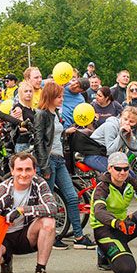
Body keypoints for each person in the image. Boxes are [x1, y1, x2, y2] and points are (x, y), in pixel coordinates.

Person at [33, 81, 94, 250]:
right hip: (49, 161)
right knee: (49, 200)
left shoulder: (56, 113)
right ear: (50, 97)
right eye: (59, 96)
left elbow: (56, 134)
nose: (62, 99)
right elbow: (38, 141)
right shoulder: (42, 114)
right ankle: (50, 237)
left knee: (72, 197)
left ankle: (79, 236)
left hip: (59, 160)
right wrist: (44, 166)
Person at [0, 152, 58, 273]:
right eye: (19, 169)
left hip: (27, 236)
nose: (24, 174)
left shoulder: (39, 183)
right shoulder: (1, 192)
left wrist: (22, 210)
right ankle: (5, 260)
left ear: (34, 170)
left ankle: (40, 271)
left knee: (49, 222)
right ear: (12, 171)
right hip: (3, 239)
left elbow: (52, 207)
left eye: (28, 169)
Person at [83, 107, 137, 173]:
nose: (127, 123)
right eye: (125, 119)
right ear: (121, 117)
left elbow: (136, 151)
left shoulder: (128, 130)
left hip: (107, 156)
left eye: (131, 122)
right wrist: (121, 134)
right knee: (120, 173)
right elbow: (110, 151)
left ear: (135, 123)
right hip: (93, 155)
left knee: (132, 177)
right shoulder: (111, 126)